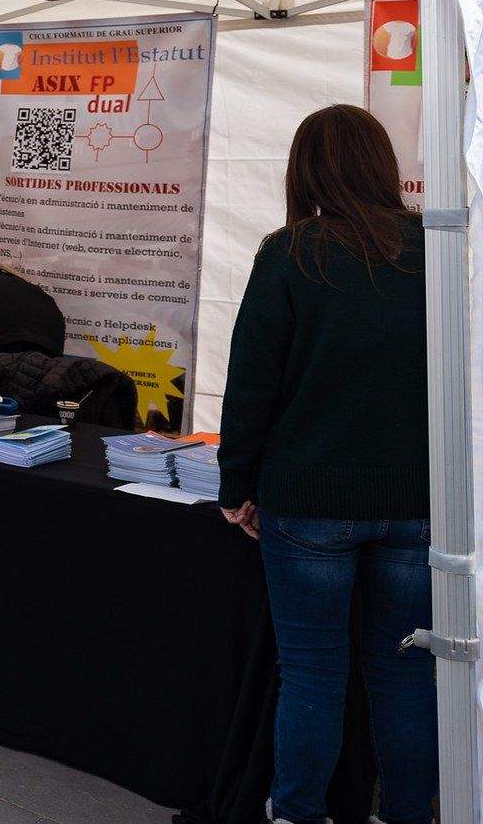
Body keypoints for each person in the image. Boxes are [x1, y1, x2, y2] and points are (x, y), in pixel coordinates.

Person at [219, 105, 433, 824]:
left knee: (312, 675)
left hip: (308, 501)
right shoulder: (435, 249)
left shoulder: (290, 253)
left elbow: (252, 384)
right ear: (380, 165)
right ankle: (408, 813)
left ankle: (299, 814)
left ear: (305, 169)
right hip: (417, 502)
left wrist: (235, 486)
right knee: (405, 675)